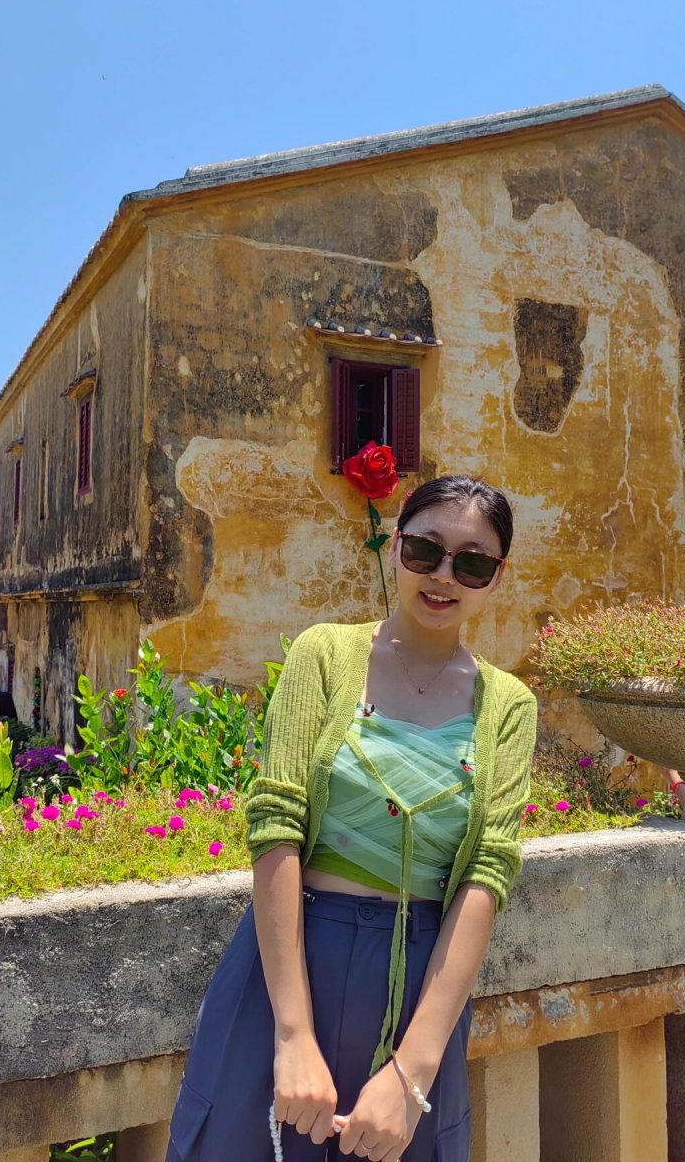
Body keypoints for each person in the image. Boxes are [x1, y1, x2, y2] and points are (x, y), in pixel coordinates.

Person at [166, 476, 537, 1162]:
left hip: (419, 985)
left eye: (472, 562)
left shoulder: (508, 706)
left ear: (496, 577)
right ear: (395, 548)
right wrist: (292, 1036)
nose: (443, 576)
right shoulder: (326, 655)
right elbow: (276, 826)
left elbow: (486, 876)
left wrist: (412, 1073)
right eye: (425, 550)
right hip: (289, 967)